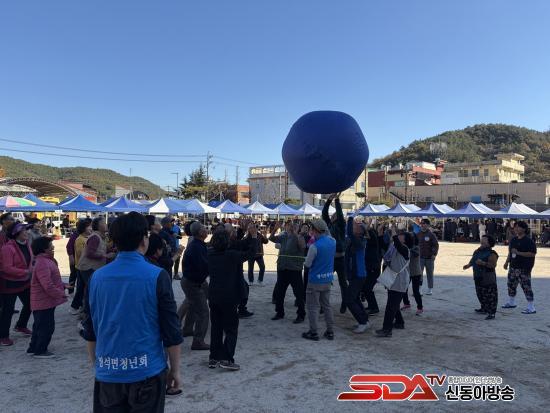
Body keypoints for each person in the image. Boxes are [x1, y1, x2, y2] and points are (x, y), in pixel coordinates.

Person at [82, 212, 183, 412]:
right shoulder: (157, 275)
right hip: (147, 371)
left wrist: (99, 366)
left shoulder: (96, 278)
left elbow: (91, 329)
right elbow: (171, 330)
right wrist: (175, 370)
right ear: (144, 240)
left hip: (108, 372)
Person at [207, 227, 257, 370]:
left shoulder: (209, 254)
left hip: (214, 296)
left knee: (216, 328)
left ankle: (214, 358)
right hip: (229, 297)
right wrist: (254, 238)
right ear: (227, 242)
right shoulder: (231, 255)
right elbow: (250, 253)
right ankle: (226, 359)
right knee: (231, 329)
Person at [27, 237, 67, 357]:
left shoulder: (45, 260)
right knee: (46, 327)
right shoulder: (42, 263)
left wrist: (63, 285)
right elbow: (47, 285)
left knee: (39, 326)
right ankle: (40, 350)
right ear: (44, 249)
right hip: (43, 302)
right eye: (51, 246)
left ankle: (33, 348)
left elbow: (50, 280)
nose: (53, 248)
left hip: (44, 301)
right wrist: (60, 293)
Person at [0, 222, 33, 346]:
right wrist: (26, 272)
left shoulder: (26, 243)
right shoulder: (7, 248)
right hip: (9, 283)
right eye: (24, 230)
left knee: (30, 304)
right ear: (16, 233)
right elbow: (6, 268)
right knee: (7, 310)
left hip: (24, 281)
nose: (27, 232)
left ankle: (21, 325)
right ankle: (3, 336)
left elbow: (30, 259)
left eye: (26, 230)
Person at [302, 219, 336, 341]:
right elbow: (328, 234)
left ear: (315, 230)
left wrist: (305, 260)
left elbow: (307, 264)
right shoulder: (333, 241)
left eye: (312, 229)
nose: (311, 231)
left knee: (313, 307)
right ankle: (330, 331)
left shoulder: (314, 246)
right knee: (327, 306)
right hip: (327, 279)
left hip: (315, 281)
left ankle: (313, 332)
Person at [269, 220, 306, 323]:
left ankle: (301, 314)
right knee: (280, 293)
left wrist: (295, 233)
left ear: (297, 228)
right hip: (282, 268)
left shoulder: (300, 236)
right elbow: (271, 239)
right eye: (289, 225)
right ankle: (279, 312)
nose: (290, 227)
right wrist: (275, 229)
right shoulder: (283, 236)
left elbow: (303, 246)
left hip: (294, 269)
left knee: (298, 293)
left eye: (293, 226)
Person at [180, 222, 210, 351]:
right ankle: (198, 341)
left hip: (193, 281)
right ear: (200, 233)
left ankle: (187, 329)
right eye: (204, 228)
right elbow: (203, 266)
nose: (206, 230)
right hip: (192, 283)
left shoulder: (198, 244)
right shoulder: (196, 247)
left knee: (193, 305)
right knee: (203, 312)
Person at [375, 231, 411, 338]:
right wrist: (381, 232)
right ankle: (399, 322)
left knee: (391, 306)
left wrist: (394, 232)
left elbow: (397, 243)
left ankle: (387, 330)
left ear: (405, 240)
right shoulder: (394, 248)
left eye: (401, 235)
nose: (399, 236)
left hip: (399, 281)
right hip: (393, 279)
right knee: (393, 304)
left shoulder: (404, 249)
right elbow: (383, 245)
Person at [78, 217, 113, 315]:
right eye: (103, 223)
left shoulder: (100, 237)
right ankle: (87, 314)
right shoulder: (95, 237)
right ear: (98, 226)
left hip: (91, 267)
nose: (106, 224)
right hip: (88, 268)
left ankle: (87, 312)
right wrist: (105, 256)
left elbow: (100, 249)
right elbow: (89, 253)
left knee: (90, 290)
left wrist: (110, 251)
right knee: (92, 291)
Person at [502, 221, 537, 314]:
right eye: (515, 227)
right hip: (513, 266)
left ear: (524, 229)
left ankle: (531, 307)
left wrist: (518, 253)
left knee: (526, 286)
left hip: (524, 268)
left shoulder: (529, 241)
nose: (516, 229)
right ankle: (511, 302)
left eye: (518, 227)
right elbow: (510, 252)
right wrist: (506, 262)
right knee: (511, 285)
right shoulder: (513, 240)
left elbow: (532, 254)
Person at [322, 193, 347, 313]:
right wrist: (328, 201)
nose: (333, 215)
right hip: (330, 259)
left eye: (335, 215)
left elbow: (340, 214)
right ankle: (323, 305)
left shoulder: (341, 225)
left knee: (343, 284)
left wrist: (337, 200)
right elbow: (324, 214)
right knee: (325, 281)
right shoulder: (329, 225)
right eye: (333, 215)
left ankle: (345, 304)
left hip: (341, 259)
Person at [463, 235, 499, 319]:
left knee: (490, 295)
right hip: (477, 276)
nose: (482, 241)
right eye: (482, 239)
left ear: (489, 243)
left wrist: (483, 263)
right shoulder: (477, 251)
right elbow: (473, 260)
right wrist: (468, 265)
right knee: (480, 294)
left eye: (484, 240)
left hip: (488, 277)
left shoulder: (492, 253)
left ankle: (492, 312)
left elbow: (493, 265)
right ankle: (484, 308)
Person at [344, 217, 369, 333]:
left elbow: (349, 232)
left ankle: (362, 322)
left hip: (358, 275)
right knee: (355, 299)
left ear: (360, 231)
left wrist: (350, 219)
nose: (354, 227)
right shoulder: (356, 241)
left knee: (349, 300)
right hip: (356, 275)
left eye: (357, 226)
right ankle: (365, 321)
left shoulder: (359, 241)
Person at [226, 222, 254, 319]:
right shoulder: (230, 243)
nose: (235, 232)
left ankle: (241, 309)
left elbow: (238, 241)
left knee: (244, 288)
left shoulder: (226, 240)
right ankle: (239, 310)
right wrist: (252, 234)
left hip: (234, 272)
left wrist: (243, 230)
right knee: (241, 290)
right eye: (233, 230)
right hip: (233, 273)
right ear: (229, 233)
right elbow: (243, 244)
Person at [70, 218, 93, 315]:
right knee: (82, 287)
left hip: (84, 267)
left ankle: (77, 306)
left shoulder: (87, 238)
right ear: (83, 228)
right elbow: (82, 254)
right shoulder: (80, 239)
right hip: (82, 267)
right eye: (89, 227)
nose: (91, 228)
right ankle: (76, 307)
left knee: (81, 287)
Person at [401, 232, 423, 315]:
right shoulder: (405, 247)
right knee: (404, 289)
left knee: (415, 291)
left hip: (416, 272)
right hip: (407, 272)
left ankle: (420, 307)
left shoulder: (416, 247)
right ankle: (406, 303)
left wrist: (406, 249)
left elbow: (414, 254)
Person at [362, 222, 382, 315]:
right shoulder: (369, 243)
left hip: (374, 269)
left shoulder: (373, 242)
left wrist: (367, 229)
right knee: (366, 288)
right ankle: (371, 306)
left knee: (367, 288)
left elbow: (371, 236)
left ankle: (374, 308)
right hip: (370, 269)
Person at [417, 218, 439, 295]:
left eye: (424, 223)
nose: (422, 225)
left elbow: (436, 245)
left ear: (428, 225)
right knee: (419, 274)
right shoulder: (418, 234)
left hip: (429, 258)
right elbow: (415, 245)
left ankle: (430, 289)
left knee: (430, 274)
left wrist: (434, 254)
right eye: (421, 224)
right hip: (420, 257)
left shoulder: (431, 235)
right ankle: (419, 289)